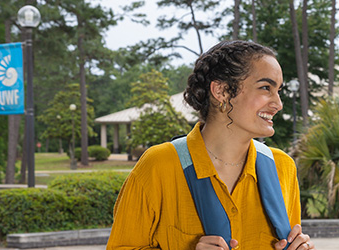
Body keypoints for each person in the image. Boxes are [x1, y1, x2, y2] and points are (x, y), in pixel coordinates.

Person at [107, 40, 315, 250]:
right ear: (221, 91)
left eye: (278, 90)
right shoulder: (159, 165)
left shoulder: (282, 168)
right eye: (265, 88)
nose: (278, 104)